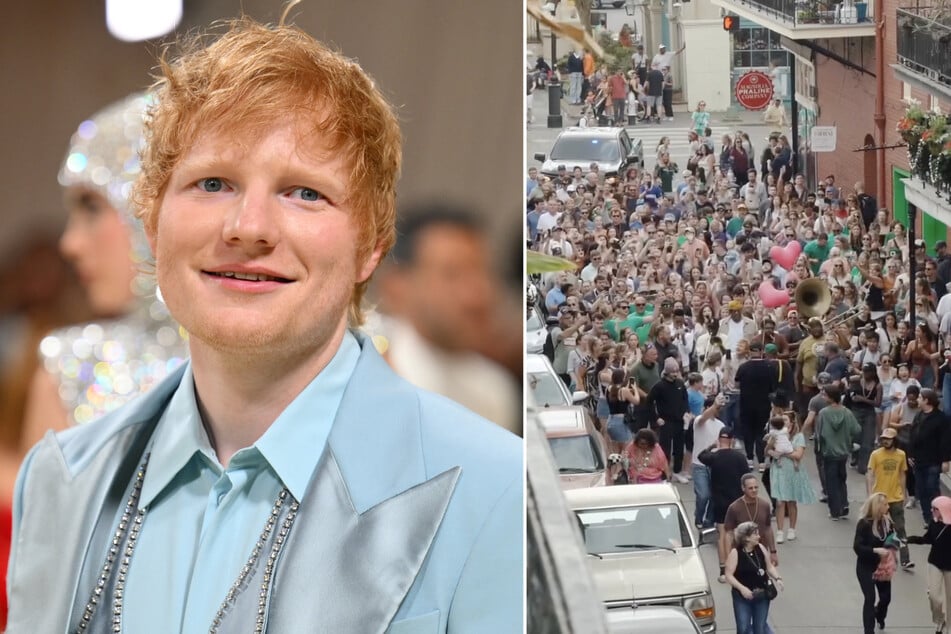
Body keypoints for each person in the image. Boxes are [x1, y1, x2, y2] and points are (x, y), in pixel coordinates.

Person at [7, 17, 522, 633]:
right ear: (152, 226)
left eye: (304, 193)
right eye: (213, 183)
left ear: (371, 249)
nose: (248, 227)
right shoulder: (64, 475)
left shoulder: (492, 488)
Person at [376, 206, 521, 434]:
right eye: (452, 275)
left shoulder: (495, 392)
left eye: (482, 272)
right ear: (397, 285)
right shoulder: (367, 371)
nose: (476, 295)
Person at [698, 426, 751, 583]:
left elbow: (701, 456)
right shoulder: (740, 458)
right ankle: (739, 567)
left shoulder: (714, 457)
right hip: (738, 501)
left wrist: (712, 446)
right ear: (733, 441)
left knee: (723, 535)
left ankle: (723, 570)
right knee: (739, 535)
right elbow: (747, 478)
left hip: (720, 501)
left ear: (720, 440)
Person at [866, 427, 914, 570]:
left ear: (895, 440)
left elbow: (902, 474)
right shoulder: (875, 454)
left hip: (895, 497)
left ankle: (905, 559)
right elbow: (869, 474)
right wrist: (870, 495)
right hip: (880, 498)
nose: (885, 441)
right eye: (883, 439)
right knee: (878, 530)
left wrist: (904, 493)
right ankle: (880, 557)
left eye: (888, 439)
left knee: (900, 528)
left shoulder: (901, 455)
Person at [725, 520, 783, 634]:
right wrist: (742, 588)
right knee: (743, 627)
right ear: (746, 538)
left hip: (762, 595)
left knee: (760, 627)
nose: (759, 536)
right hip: (742, 597)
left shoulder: (761, 548)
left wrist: (778, 578)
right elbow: (728, 575)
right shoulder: (735, 553)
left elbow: (769, 567)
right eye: (755, 534)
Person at [854, 493, 898, 634]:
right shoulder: (864, 524)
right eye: (885, 504)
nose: (888, 506)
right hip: (865, 566)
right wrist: (875, 550)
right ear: (877, 507)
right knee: (870, 597)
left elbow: (892, 540)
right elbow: (857, 547)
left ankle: (879, 614)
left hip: (882, 566)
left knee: (886, 598)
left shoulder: (888, 523)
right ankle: (869, 630)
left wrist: (892, 552)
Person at [817, 384, 861, 520]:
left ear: (830, 397)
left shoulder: (823, 413)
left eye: (825, 394)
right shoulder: (847, 412)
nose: (823, 396)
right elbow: (857, 429)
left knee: (831, 482)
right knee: (842, 480)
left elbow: (819, 434)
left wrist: (820, 449)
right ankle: (844, 505)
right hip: (843, 453)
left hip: (829, 453)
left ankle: (835, 511)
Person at [907, 496, 951, 634]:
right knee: (934, 596)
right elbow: (928, 539)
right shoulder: (934, 523)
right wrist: (910, 539)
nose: (932, 511)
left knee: (950, 599)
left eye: (935, 509)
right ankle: (939, 619)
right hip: (935, 562)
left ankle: (947, 627)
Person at [909, 388, 951, 527]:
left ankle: (938, 516)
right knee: (921, 489)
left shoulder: (941, 419)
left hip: (933, 460)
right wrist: (910, 454)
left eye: (920, 398)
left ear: (927, 400)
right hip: (919, 460)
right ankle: (927, 517)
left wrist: (945, 460)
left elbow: (945, 441)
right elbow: (913, 435)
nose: (918, 400)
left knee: (932, 488)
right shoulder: (919, 415)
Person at [646, 357, 689, 482]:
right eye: (672, 372)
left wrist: (686, 411)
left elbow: (684, 399)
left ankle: (677, 471)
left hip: (679, 421)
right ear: (666, 372)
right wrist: (656, 418)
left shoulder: (680, 384)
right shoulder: (659, 386)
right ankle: (664, 474)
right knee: (665, 449)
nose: (675, 374)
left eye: (676, 371)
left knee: (679, 448)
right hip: (666, 421)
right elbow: (649, 402)